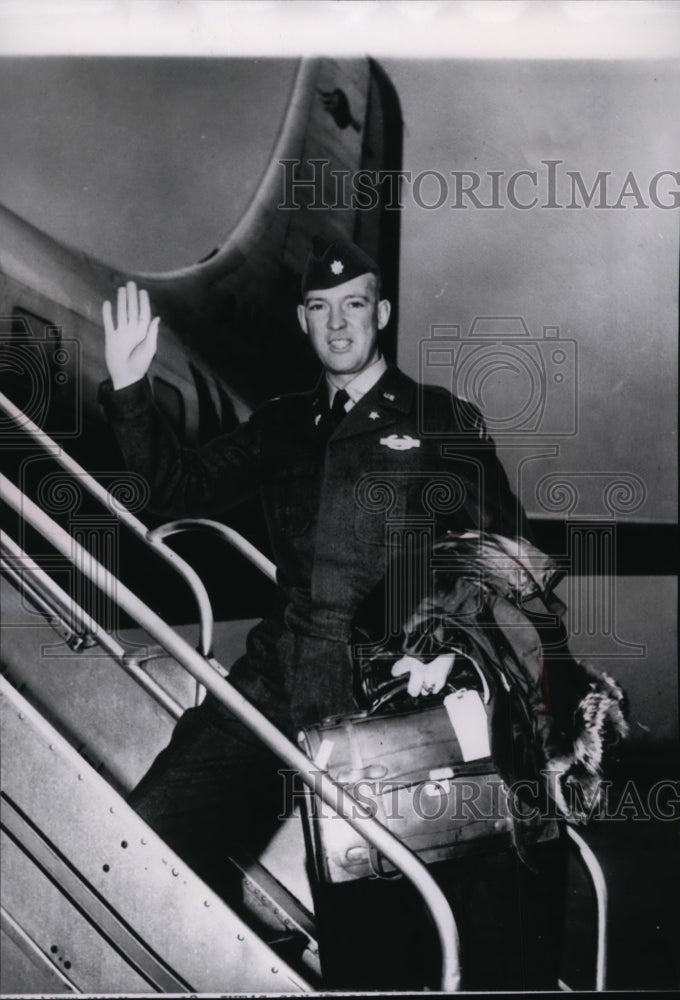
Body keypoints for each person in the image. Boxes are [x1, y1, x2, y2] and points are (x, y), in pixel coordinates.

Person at [100, 236, 561, 990]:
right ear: (302, 321)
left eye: (354, 306)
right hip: (274, 681)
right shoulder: (284, 424)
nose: (338, 324)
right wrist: (129, 393)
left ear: (381, 313)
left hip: (380, 702)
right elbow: (175, 488)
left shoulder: (437, 417)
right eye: (320, 309)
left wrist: (450, 638)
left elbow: (516, 554)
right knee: (145, 834)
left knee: (368, 948)